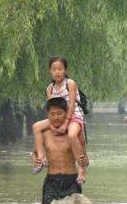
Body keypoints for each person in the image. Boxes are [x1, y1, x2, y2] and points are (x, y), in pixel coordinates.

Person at [32, 56, 88, 184]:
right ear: (50, 71)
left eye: (60, 69)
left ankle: (81, 170)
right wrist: (52, 125)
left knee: (72, 134)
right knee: (36, 127)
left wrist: (66, 124)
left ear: (65, 70)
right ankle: (41, 157)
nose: (57, 72)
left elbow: (72, 105)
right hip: (57, 118)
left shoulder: (70, 84)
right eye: (54, 69)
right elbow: (51, 108)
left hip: (73, 116)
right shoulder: (49, 88)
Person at [32, 98, 86, 204]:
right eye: (52, 114)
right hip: (51, 182)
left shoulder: (74, 134)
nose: (55, 117)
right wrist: (36, 161)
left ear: (66, 113)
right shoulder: (44, 134)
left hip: (71, 181)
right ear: (47, 115)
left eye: (59, 113)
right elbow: (35, 154)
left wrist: (83, 167)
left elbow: (85, 160)